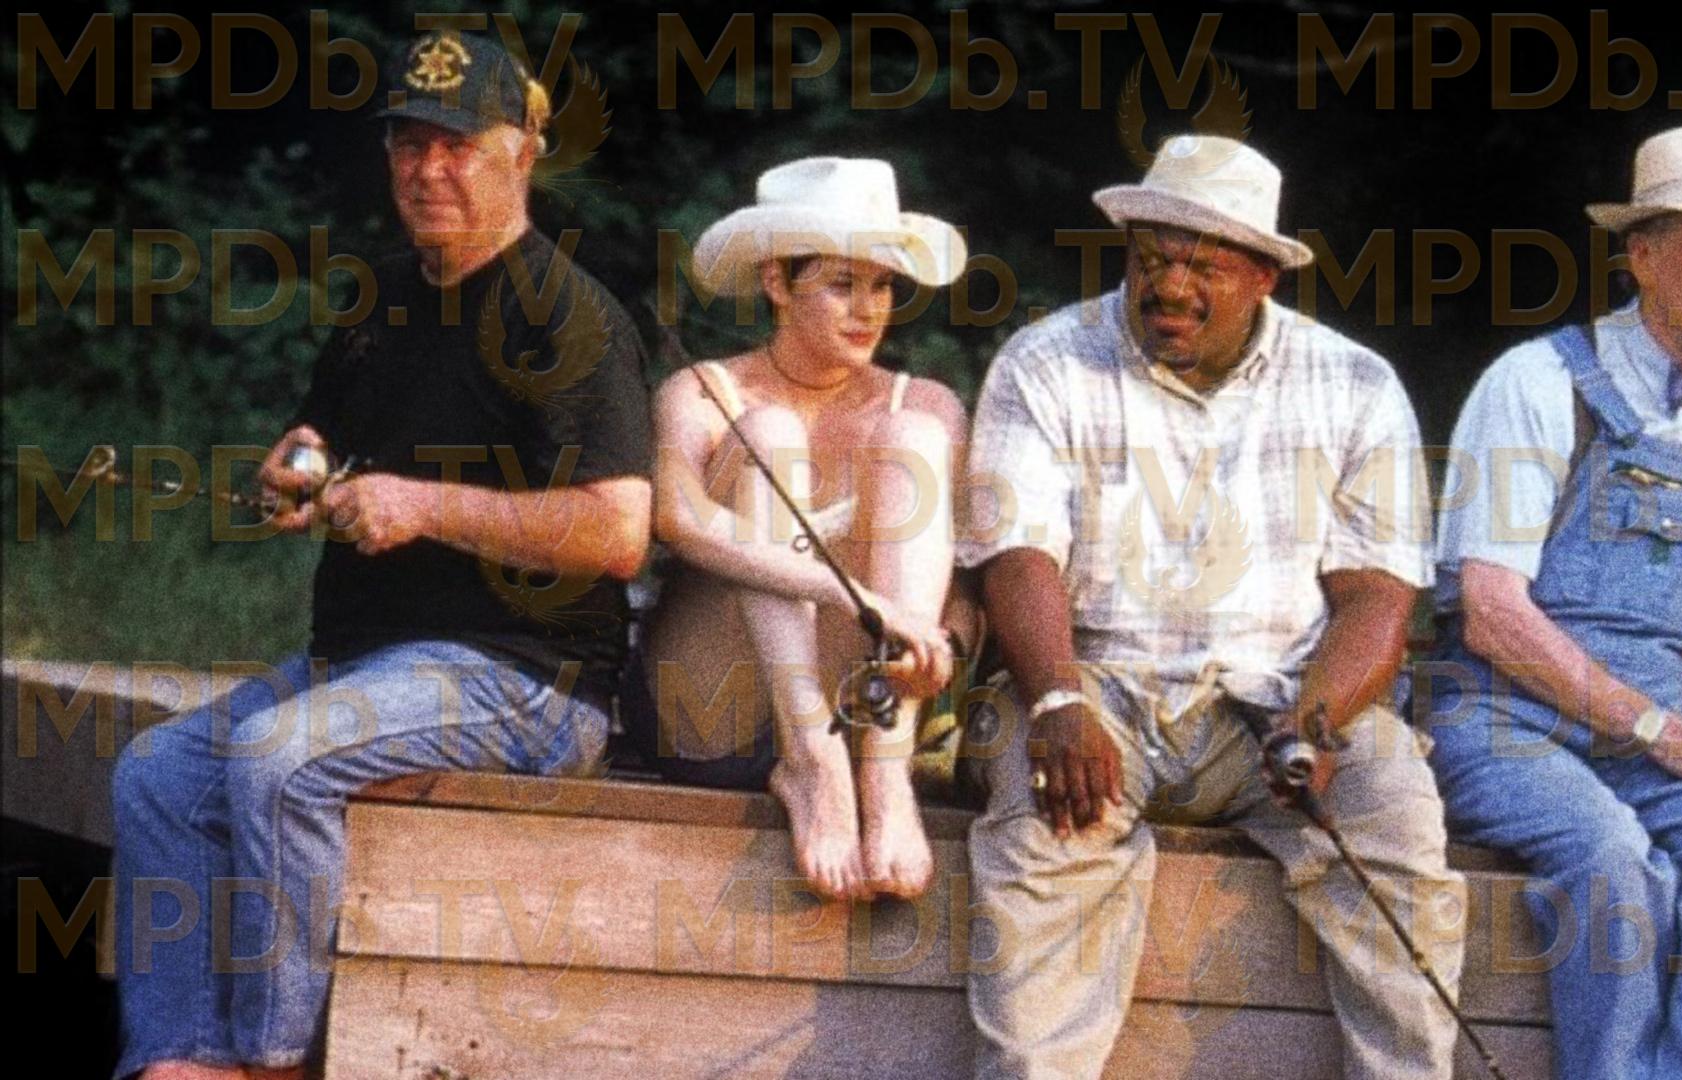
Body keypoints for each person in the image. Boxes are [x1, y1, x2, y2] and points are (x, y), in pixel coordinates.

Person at [109, 30, 654, 1079]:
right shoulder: (384, 299)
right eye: (409, 143)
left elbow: (616, 532)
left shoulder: (571, 319)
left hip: (527, 678)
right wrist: (300, 469)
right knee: (158, 773)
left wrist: (424, 505)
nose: (429, 169)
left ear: (523, 152)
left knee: (280, 759)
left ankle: (272, 1060)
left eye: (458, 145)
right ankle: (179, 1057)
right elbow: (324, 442)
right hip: (365, 662)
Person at [960, 134, 1464, 1079]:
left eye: (1204, 267)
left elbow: (1375, 597)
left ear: (1265, 275)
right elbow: (1018, 557)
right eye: (1152, 258)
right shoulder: (1045, 361)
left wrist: (1315, 723)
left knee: (1394, 810)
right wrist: (1057, 699)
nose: (1170, 285)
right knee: (1048, 833)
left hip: (1283, 697)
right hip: (1095, 685)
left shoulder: (1356, 384)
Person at [1426, 122, 1682, 1078]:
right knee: (1615, 868)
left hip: (1664, 717)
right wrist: (1653, 729)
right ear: (1642, 257)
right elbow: (1490, 613)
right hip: (1503, 710)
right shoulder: (1536, 382)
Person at [645, 156, 970, 901]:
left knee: (914, 437)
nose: (868, 310)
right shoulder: (704, 390)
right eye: (841, 284)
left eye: (883, 286)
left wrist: (941, 649)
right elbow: (676, 519)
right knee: (769, 431)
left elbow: (963, 584)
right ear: (776, 283)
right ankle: (811, 764)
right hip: (714, 706)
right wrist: (853, 594)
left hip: (863, 710)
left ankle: (884, 777)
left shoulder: (924, 404)